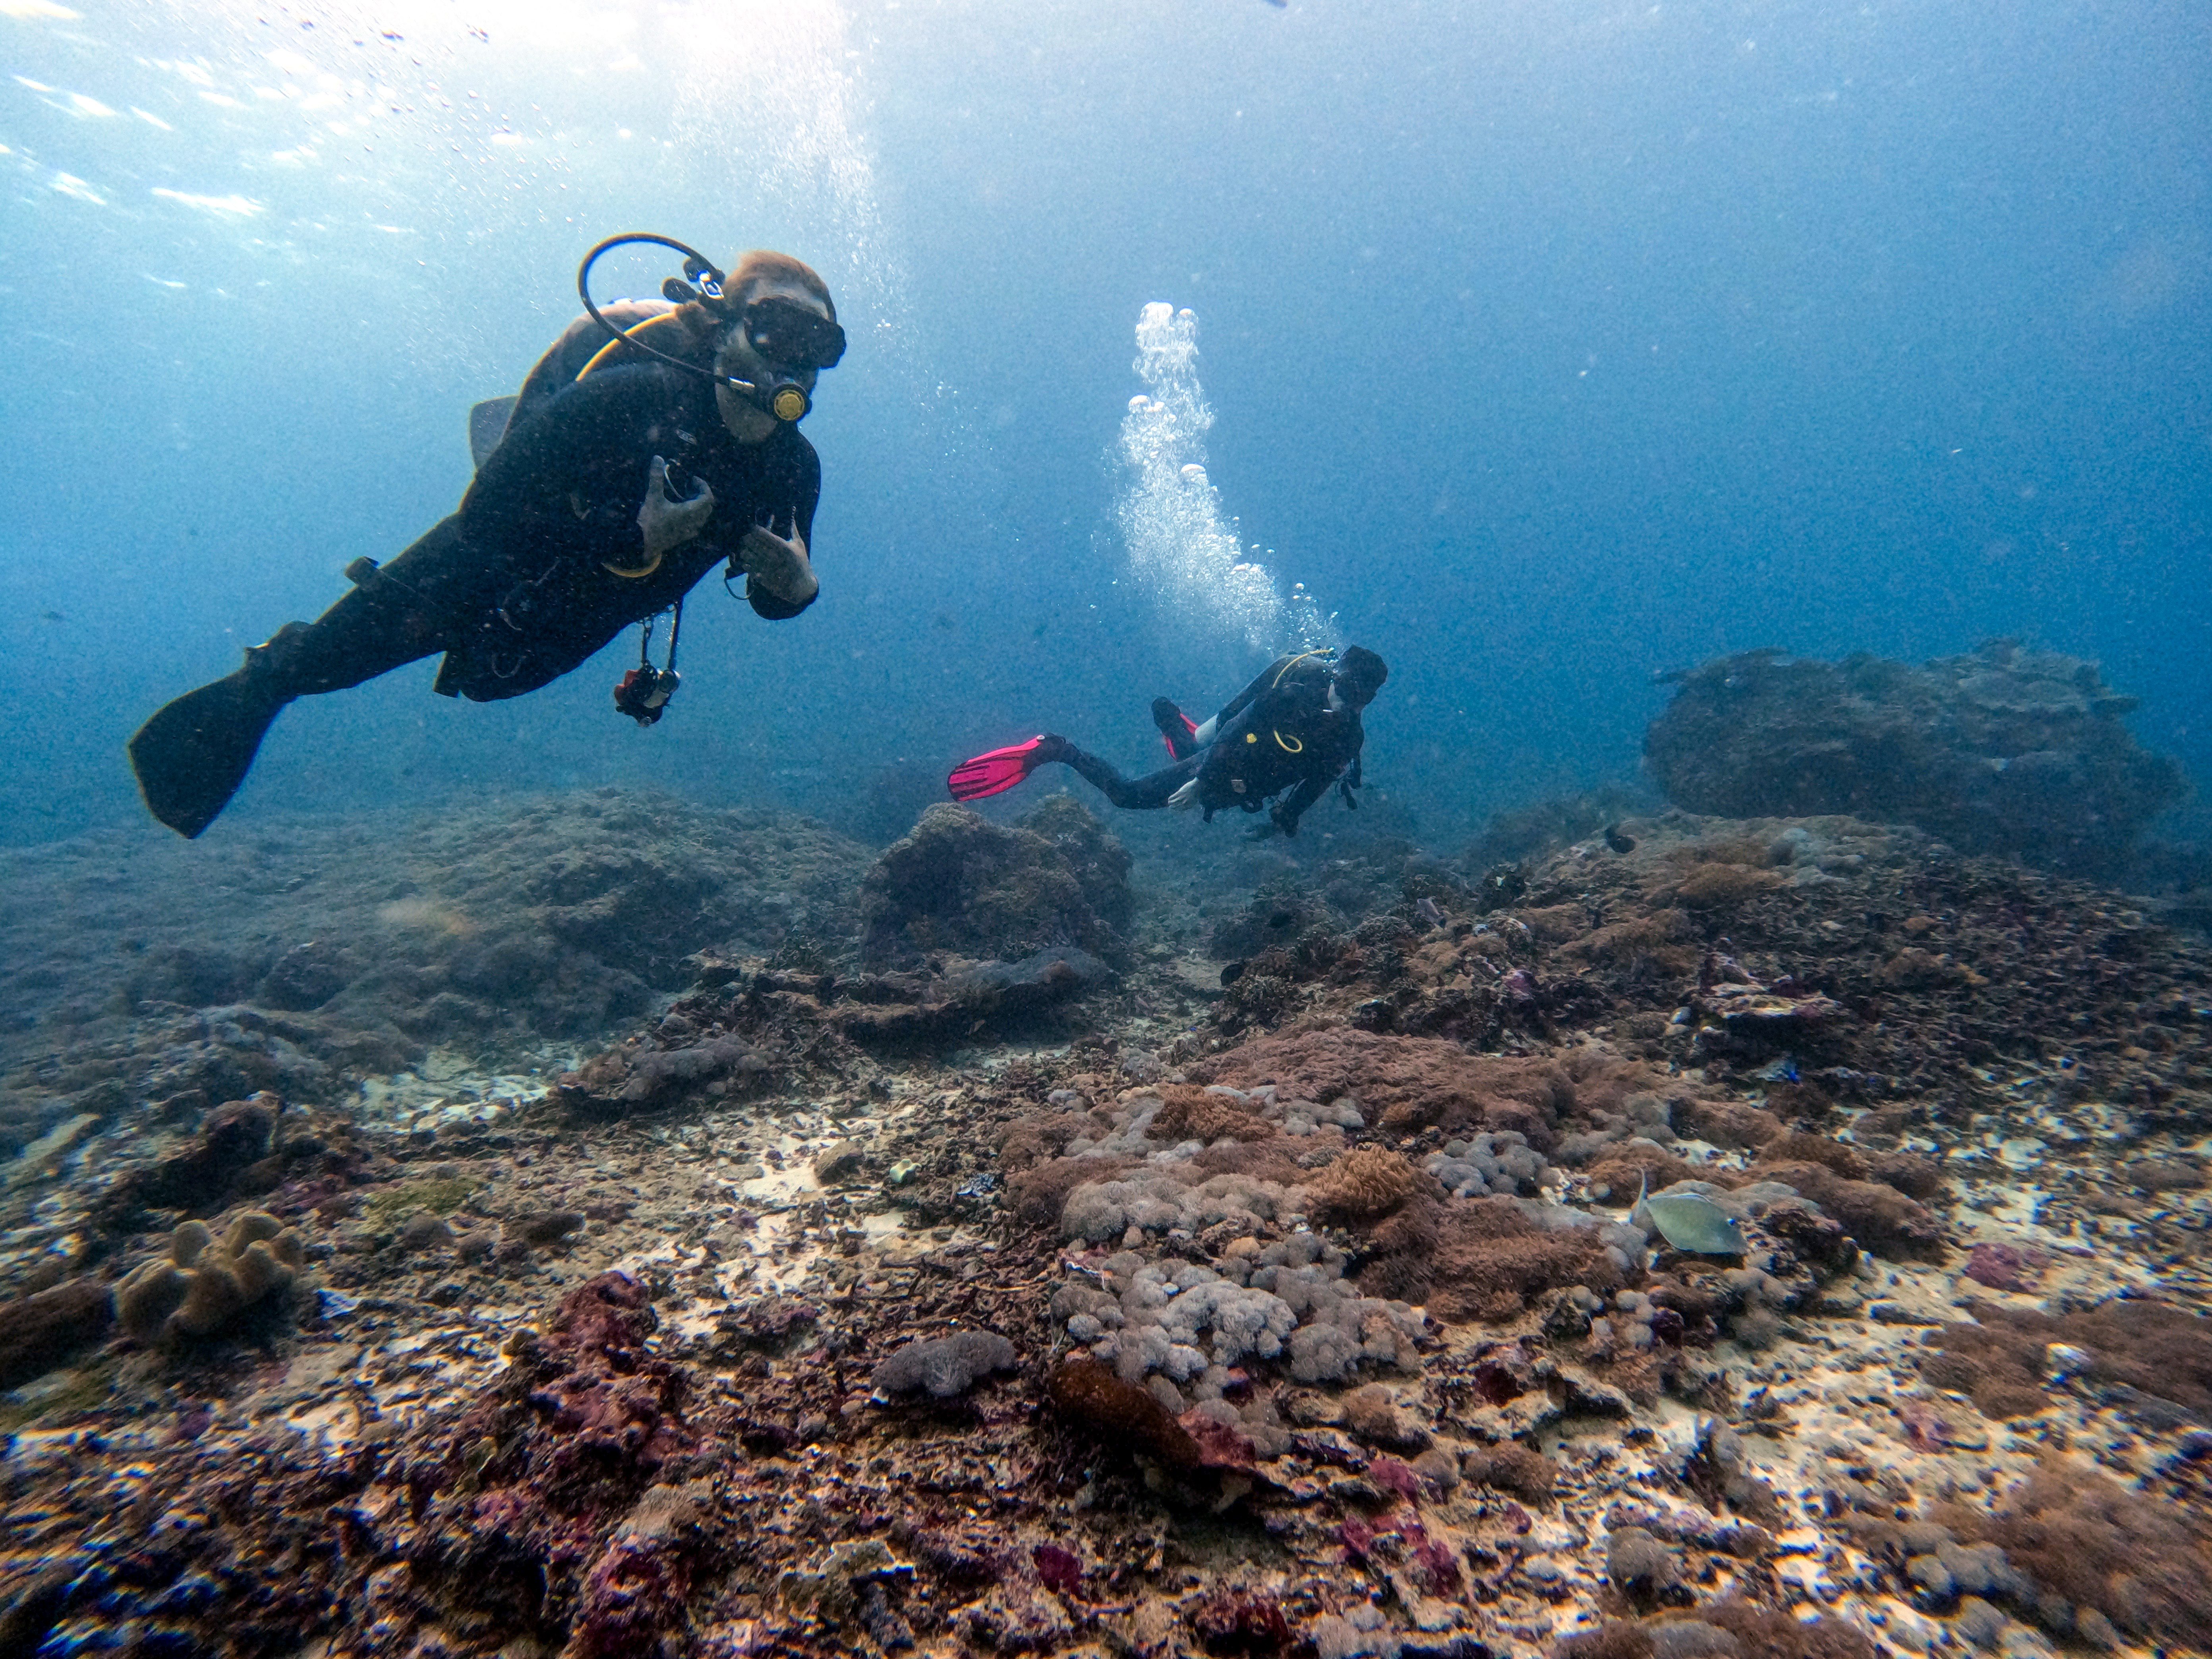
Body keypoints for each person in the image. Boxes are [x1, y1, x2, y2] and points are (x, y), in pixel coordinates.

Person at [128, 244, 845, 839]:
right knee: (309, 672)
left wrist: (799, 590)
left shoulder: (792, 469)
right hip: (479, 567)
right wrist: (631, 537)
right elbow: (486, 514)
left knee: (485, 688)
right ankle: (251, 689)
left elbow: (775, 596)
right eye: (774, 330)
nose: (793, 361)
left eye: (817, 346)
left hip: (576, 619)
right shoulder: (631, 395)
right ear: (722, 329)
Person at [947, 646, 1388, 838]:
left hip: (1239, 781)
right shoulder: (1291, 696)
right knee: (1127, 796)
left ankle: (1174, 723)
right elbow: (1234, 733)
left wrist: (1287, 817)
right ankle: (1059, 750)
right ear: (1336, 675)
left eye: (1363, 698)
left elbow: (1317, 783)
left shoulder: (1350, 738)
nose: (1350, 702)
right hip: (1223, 764)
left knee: (1192, 750)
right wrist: (1203, 781)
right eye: (1348, 688)